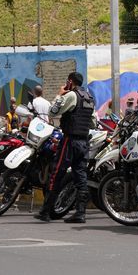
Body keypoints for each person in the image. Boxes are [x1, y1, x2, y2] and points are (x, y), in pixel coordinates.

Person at [35, 71, 96, 224]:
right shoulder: (89, 98)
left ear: (70, 81)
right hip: (84, 143)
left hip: (70, 141)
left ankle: (45, 211)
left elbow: (53, 111)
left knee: (56, 174)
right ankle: (80, 213)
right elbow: (92, 121)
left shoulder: (71, 95)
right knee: (81, 176)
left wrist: (59, 95)